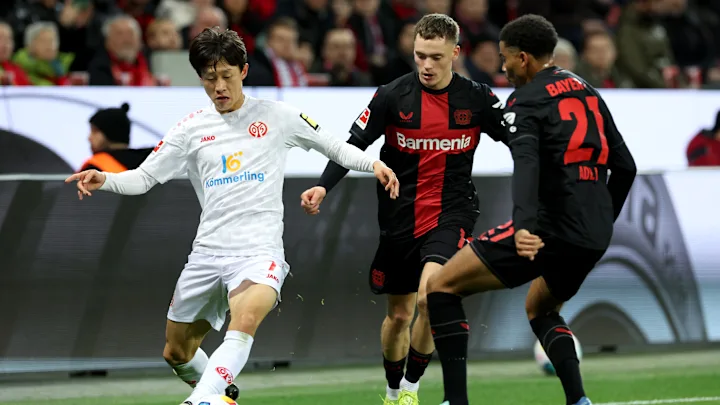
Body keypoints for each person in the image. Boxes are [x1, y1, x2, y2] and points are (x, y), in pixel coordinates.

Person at [65, 27, 399, 405]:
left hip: (258, 252)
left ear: (243, 71)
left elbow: (335, 147)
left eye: (226, 75)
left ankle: (201, 402)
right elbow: (143, 178)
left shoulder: (277, 116)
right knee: (176, 353)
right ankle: (219, 394)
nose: (219, 86)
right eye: (209, 78)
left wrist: (373, 163)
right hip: (207, 254)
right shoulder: (191, 129)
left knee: (243, 323)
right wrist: (104, 178)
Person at [424, 14, 637, 405]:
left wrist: (523, 225)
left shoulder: (526, 99)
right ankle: (579, 401)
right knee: (540, 308)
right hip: (593, 233)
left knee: (440, 287)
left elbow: (527, 165)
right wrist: (604, 218)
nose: (503, 68)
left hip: (549, 226)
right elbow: (626, 167)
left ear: (524, 58)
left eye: (506, 59)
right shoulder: (588, 91)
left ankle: (456, 401)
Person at [299, 13, 507, 405]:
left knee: (433, 296)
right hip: (399, 217)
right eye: (419, 56)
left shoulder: (477, 98)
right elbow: (352, 144)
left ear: (455, 54)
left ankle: (412, 389)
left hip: (453, 211)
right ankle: (394, 392)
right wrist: (323, 187)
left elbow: (516, 139)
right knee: (398, 316)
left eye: (436, 57)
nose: (426, 65)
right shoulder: (391, 95)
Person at [80, 103, 154, 173]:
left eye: (95, 131)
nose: (89, 138)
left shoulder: (93, 170)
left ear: (110, 132)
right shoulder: (154, 162)